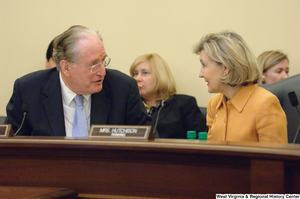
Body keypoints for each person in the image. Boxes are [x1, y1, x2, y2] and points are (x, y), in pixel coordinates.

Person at [6, 25, 150, 137]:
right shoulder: (28, 90)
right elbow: (10, 145)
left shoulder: (123, 89)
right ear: (66, 67)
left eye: (103, 61)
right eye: (94, 65)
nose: (102, 72)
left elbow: (147, 140)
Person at [193, 30, 287, 143]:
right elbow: (212, 155)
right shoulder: (214, 103)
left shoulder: (265, 103)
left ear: (226, 67)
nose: (200, 74)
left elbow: (274, 159)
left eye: (204, 65)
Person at [129, 53, 207, 138]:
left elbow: (199, 143)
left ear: (160, 76)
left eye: (144, 73)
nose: (137, 79)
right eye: (135, 74)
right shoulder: (130, 106)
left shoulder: (185, 104)